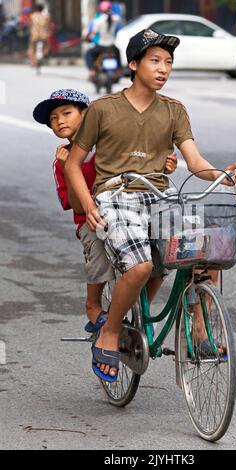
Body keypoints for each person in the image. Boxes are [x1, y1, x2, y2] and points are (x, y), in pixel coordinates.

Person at [65, 29, 236, 382]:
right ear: (133, 64)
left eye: (168, 63)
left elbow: (194, 162)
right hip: (117, 195)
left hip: (160, 196)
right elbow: (74, 164)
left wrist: (220, 175)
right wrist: (88, 205)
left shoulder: (175, 111)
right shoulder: (103, 109)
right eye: (155, 61)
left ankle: (199, 331)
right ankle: (111, 331)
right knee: (140, 267)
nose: (163, 69)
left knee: (207, 253)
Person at [33, 88, 178, 334]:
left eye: (66, 113)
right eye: (54, 119)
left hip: (129, 209)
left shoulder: (111, 144)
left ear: (88, 115)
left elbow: (141, 174)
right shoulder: (63, 159)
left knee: (161, 256)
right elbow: (76, 206)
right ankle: (93, 305)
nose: (59, 121)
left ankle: (139, 310)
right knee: (98, 252)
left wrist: (165, 167)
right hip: (92, 219)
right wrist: (67, 167)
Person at [85, 1, 121, 81]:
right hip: (111, 46)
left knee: (88, 53)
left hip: (101, 46)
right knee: (118, 52)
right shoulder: (115, 18)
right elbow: (118, 24)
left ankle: (92, 71)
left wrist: (88, 38)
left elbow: (93, 33)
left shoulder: (98, 20)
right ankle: (118, 70)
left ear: (100, 10)